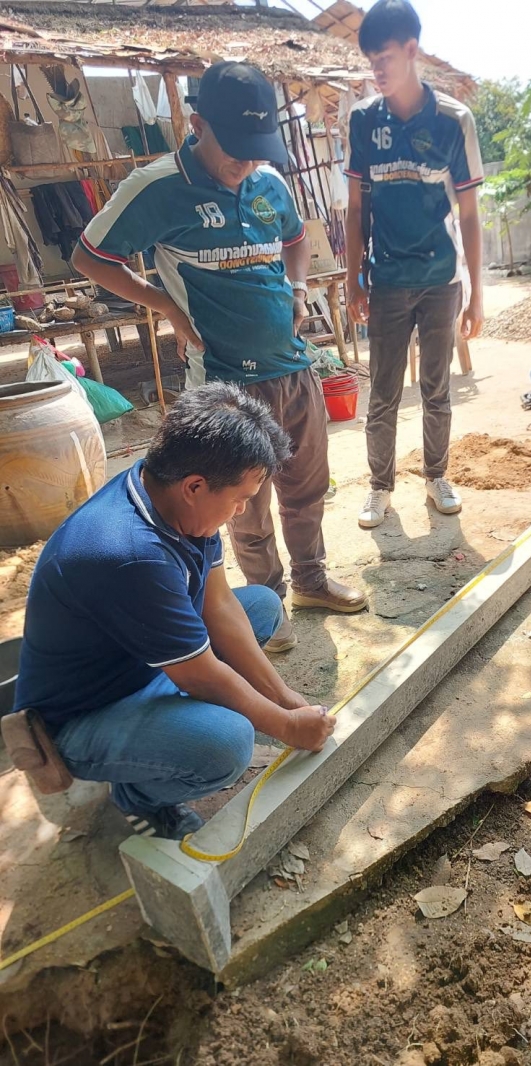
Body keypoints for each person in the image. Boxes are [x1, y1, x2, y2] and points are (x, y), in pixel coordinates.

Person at [72, 61, 366, 655]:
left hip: (294, 367)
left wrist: (299, 289)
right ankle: (268, 602)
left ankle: (311, 581)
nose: (246, 163)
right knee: (244, 502)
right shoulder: (157, 187)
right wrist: (164, 304)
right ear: (197, 125)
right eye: (235, 148)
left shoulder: (268, 181)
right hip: (227, 383)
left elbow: (295, 240)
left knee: (306, 486)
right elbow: (90, 257)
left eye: (257, 150)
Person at [13, 384, 335, 841]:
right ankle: (137, 795)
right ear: (195, 487)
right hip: (84, 714)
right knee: (227, 744)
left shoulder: (172, 495)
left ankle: (174, 730)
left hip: (142, 663)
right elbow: (200, 675)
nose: (241, 510)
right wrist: (286, 727)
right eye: (239, 498)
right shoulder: (128, 553)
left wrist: (285, 700)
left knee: (261, 606)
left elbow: (219, 605)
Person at [344, 0, 485, 529]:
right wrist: (354, 279)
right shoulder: (363, 120)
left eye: (384, 58)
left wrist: (477, 292)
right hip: (386, 281)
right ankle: (380, 488)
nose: (377, 71)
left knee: (436, 389)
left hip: (440, 280)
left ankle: (436, 477)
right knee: (382, 393)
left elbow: (469, 213)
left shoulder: (453, 120)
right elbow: (355, 208)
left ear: (411, 50)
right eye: (371, 61)